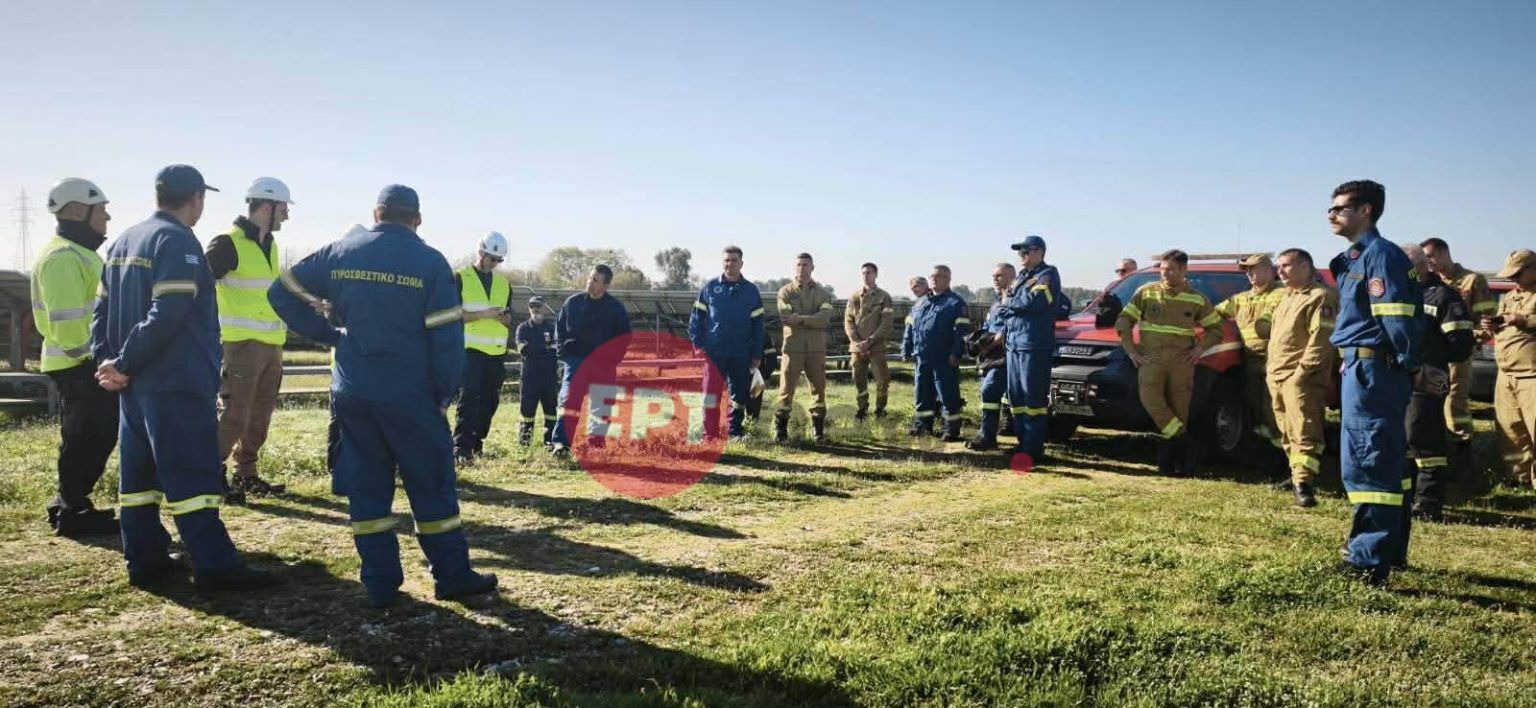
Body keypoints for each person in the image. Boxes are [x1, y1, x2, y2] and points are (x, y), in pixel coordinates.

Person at [269, 184, 496, 606]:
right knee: (431, 486)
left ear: (375, 215)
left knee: (367, 488)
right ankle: (451, 576)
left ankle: (379, 582)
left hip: (353, 392)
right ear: (418, 219)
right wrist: (445, 394)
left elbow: (279, 293)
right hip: (411, 395)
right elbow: (447, 337)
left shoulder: (340, 253)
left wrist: (329, 336)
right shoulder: (430, 263)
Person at [93, 164, 274, 591]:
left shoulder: (124, 241)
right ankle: (215, 565)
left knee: (138, 482)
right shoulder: (177, 242)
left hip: (133, 387)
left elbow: (100, 312)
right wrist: (125, 362)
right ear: (196, 198)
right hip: (174, 380)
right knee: (194, 476)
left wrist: (109, 361)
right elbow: (168, 313)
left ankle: (145, 560)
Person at [1326, 179, 1428, 587]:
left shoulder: (1380, 256)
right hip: (1362, 368)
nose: (1332, 215)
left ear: (1366, 210)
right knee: (1386, 460)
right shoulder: (1358, 257)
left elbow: (1397, 318)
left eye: (1340, 208)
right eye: (1329, 209)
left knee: (1369, 460)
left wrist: (1410, 364)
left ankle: (1367, 560)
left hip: (1373, 371)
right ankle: (1389, 549)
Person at [32, 178, 119, 536]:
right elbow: (68, 325)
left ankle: (73, 504)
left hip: (87, 364)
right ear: (79, 211)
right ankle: (71, 511)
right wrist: (97, 363)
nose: (108, 217)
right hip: (79, 365)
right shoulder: (63, 258)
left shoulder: (81, 253)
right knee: (85, 437)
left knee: (95, 436)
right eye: (101, 210)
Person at [206, 177, 295, 500]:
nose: (287, 215)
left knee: (260, 416)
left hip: (271, 345)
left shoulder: (269, 244)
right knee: (234, 415)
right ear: (267, 206)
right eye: (284, 208)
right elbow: (200, 286)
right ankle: (208, 476)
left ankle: (246, 473)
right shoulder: (226, 244)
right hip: (240, 345)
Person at [1115, 249, 1224, 476]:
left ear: (1184, 270)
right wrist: (1131, 351)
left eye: (1171, 269)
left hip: (1182, 362)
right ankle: (1188, 443)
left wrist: (1200, 349)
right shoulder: (1146, 293)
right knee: (1150, 399)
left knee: (1179, 410)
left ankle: (1173, 464)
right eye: (1163, 269)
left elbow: (1215, 330)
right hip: (1151, 358)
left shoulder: (1196, 298)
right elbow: (1124, 321)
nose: (1165, 274)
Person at [1401, 244, 1475, 523]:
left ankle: (1428, 503)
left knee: (1425, 439)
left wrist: (1431, 361)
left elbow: (1460, 344)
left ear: (1421, 265)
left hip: (1428, 379)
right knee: (1404, 439)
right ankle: (1408, 496)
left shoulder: (1443, 295)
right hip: (1401, 376)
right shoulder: (1402, 293)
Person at [1266, 249, 1339, 507]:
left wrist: (1301, 374)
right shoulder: (1287, 297)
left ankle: (1303, 483)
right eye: (1279, 267)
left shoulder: (1321, 297)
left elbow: (1321, 340)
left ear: (1305, 266)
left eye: (1286, 266)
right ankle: (1294, 473)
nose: (1280, 272)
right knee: (1286, 429)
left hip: (1301, 377)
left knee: (1304, 428)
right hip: (1277, 374)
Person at [1422, 237, 1497, 445]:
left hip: (1459, 350)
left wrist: (1470, 338)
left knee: (1455, 397)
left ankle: (1461, 441)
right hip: (1433, 351)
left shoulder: (1472, 281)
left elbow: (1487, 323)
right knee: (1431, 395)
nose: (1428, 262)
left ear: (1444, 252)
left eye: (1430, 256)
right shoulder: (1429, 281)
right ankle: (1438, 439)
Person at [1215, 253, 1287, 464]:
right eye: (1248, 271)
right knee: (1255, 406)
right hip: (1251, 361)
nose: (1251, 274)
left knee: (1275, 408)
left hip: (1278, 360)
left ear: (1269, 270)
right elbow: (1213, 313)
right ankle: (1268, 452)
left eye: (1255, 269)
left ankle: (1283, 460)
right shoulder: (1242, 298)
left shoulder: (1284, 294)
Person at [552, 265, 632, 452]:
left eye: (595, 280)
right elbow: (559, 330)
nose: (590, 282)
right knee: (569, 400)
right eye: (590, 278)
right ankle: (561, 443)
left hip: (603, 365)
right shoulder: (573, 303)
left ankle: (595, 445)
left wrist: (612, 360)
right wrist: (564, 354)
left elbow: (624, 339)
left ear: (606, 286)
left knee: (601, 403)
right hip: (576, 361)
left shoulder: (616, 309)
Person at [1002, 236, 1067, 462]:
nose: (1021, 255)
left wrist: (1010, 302)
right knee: (1016, 397)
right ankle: (1022, 443)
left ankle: (1033, 447)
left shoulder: (1048, 274)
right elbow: (1011, 304)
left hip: (1033, 345)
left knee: (1033, 397)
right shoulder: (1022, 277)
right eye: (1019, 252)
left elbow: (1035, 303)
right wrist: (1012, 303)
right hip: (1013, 345)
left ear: (1039, 252)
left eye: (1025, 251)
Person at [689, 245, 765, 440]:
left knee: (738, 396)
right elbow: (696, 318)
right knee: (710, 395)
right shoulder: (709, 288)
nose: (729, 263)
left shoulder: (751, 291)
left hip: (741, 352)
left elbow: (758, 325)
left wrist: (756, 353)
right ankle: (710, 435)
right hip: (714, 352)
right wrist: (698, 344)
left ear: (741, 263)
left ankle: (735, 432)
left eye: (733, 260)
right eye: (726, 260)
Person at [452, 232, 514, 464]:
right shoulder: (460, 277)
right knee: (468, 399)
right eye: (492, 259)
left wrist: (504, 319)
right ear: (481, 252)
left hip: (496, 352)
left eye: (499, 260)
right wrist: (484, 315)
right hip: (470, 349)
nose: (495, 264)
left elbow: (510, 317)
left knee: (490, 401)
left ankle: (477, 443)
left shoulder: (504, 284)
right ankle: (461, 448)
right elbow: (454, 315)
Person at [902, 265, 971, 441]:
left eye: (939, 276)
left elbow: (961, 332)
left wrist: (956, 353)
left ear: (948, 279)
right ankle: (923, 426)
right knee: (922, 393)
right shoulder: (920, 303)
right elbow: (909, 327)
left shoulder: (956, 303)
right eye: (932, 275)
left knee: (947, 394)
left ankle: (951, 429)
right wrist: (906, 348)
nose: (934, 279)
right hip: (922, 356)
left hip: (944, 358)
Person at [1486, 248, 1536, 488]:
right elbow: (1503, 323)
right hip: (1506, 373)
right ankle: (1520, 479)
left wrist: (1522, 320)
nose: (1512, 279)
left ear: (1532, 269)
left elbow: (1522, 321)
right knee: (1510, 429)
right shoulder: (1510, 296)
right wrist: (1492, 325)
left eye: (1517, 274)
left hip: (1532, 375)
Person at [774, 253, 836, 444]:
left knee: (819, 389)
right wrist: (811, 319)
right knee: (786, 390)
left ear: (812, 267)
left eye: (806, 265)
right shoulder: (785, 292)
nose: (802, 268)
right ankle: (781, 433)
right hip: (793, 348)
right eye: (799, 265)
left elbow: (824, 319)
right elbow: (786, 316)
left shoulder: (824, 294)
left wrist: (800, 319)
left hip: (816, 349)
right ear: (795, 267)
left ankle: (818, 433)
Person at [965, 262, 1016, 451]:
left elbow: (1010, 328)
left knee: (990, 391)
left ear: (1012, 277)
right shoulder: (995, 303)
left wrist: (992, 343)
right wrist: (978, 341)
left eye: (1000, 275)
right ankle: (989, 433)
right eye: (994, 275)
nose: (995, 278)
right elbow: (990, 327)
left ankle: (987, 436)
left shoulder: (1015, 300)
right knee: (987, 394)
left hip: (1005, 355)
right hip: (988, 356)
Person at [845, 262, 894, 420]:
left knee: (882, 381)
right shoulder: (854, 296)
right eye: (864, 273)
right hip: (858, 347)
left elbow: (886, 323)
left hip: (876, 346)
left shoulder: (884, 297)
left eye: (870, 273)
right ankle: (862, 409)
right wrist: (858, 342)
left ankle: (880, 409)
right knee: (859, 380)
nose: (866, 275)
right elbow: (848, 321)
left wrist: (870, 341)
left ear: (876, 275)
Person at [514, 296, 559, 446]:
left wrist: (535, 348)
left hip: (549, 378)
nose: (535, 309)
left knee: (551, 413)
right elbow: (523, 350)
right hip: (529, 378)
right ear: (529, 309)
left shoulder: (553, 328)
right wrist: (545, 347)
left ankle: (550, 444)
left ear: (545, 308)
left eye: (538, 306)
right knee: (527, 413)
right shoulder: (523, 328)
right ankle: (524, 445)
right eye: (532, 306)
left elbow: (556, 350)